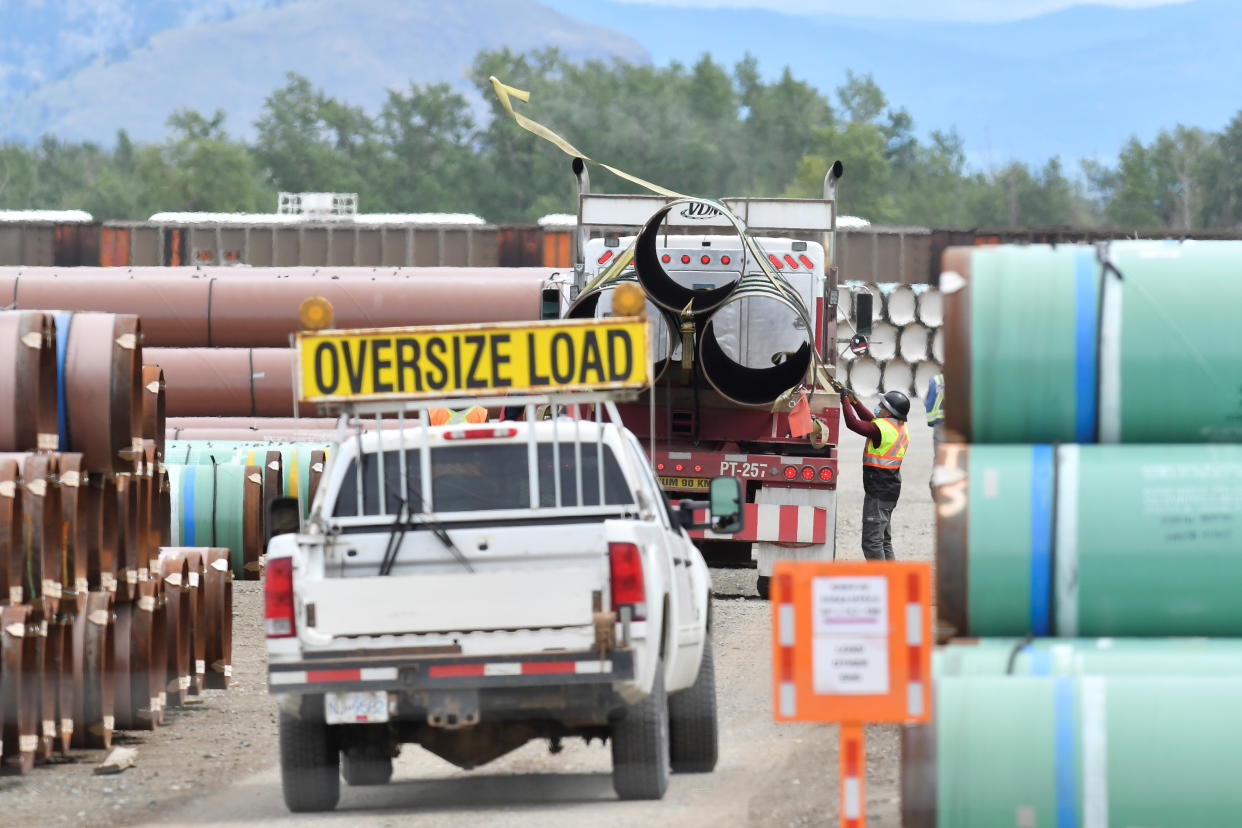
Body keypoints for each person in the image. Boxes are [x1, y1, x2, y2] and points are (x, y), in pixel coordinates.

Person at [840, 389, 910, 561]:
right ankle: (893, 582)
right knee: (884, 541)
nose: (878, 407)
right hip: (890, 490)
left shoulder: (881, 429)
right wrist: (855, 402)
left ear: (889, 412)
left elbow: (853, 423)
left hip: (878, 493)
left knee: (872, 542)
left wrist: (844, 401)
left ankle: (882, 583)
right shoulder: (897, 426)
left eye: (882, 405)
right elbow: (871, 420)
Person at [925, 372, 945, 451]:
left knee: (940, 453)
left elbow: (929, 401)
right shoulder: (967, 377)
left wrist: (931, 421)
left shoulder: (936, 380)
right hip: (960, 421)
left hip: (941, 422)